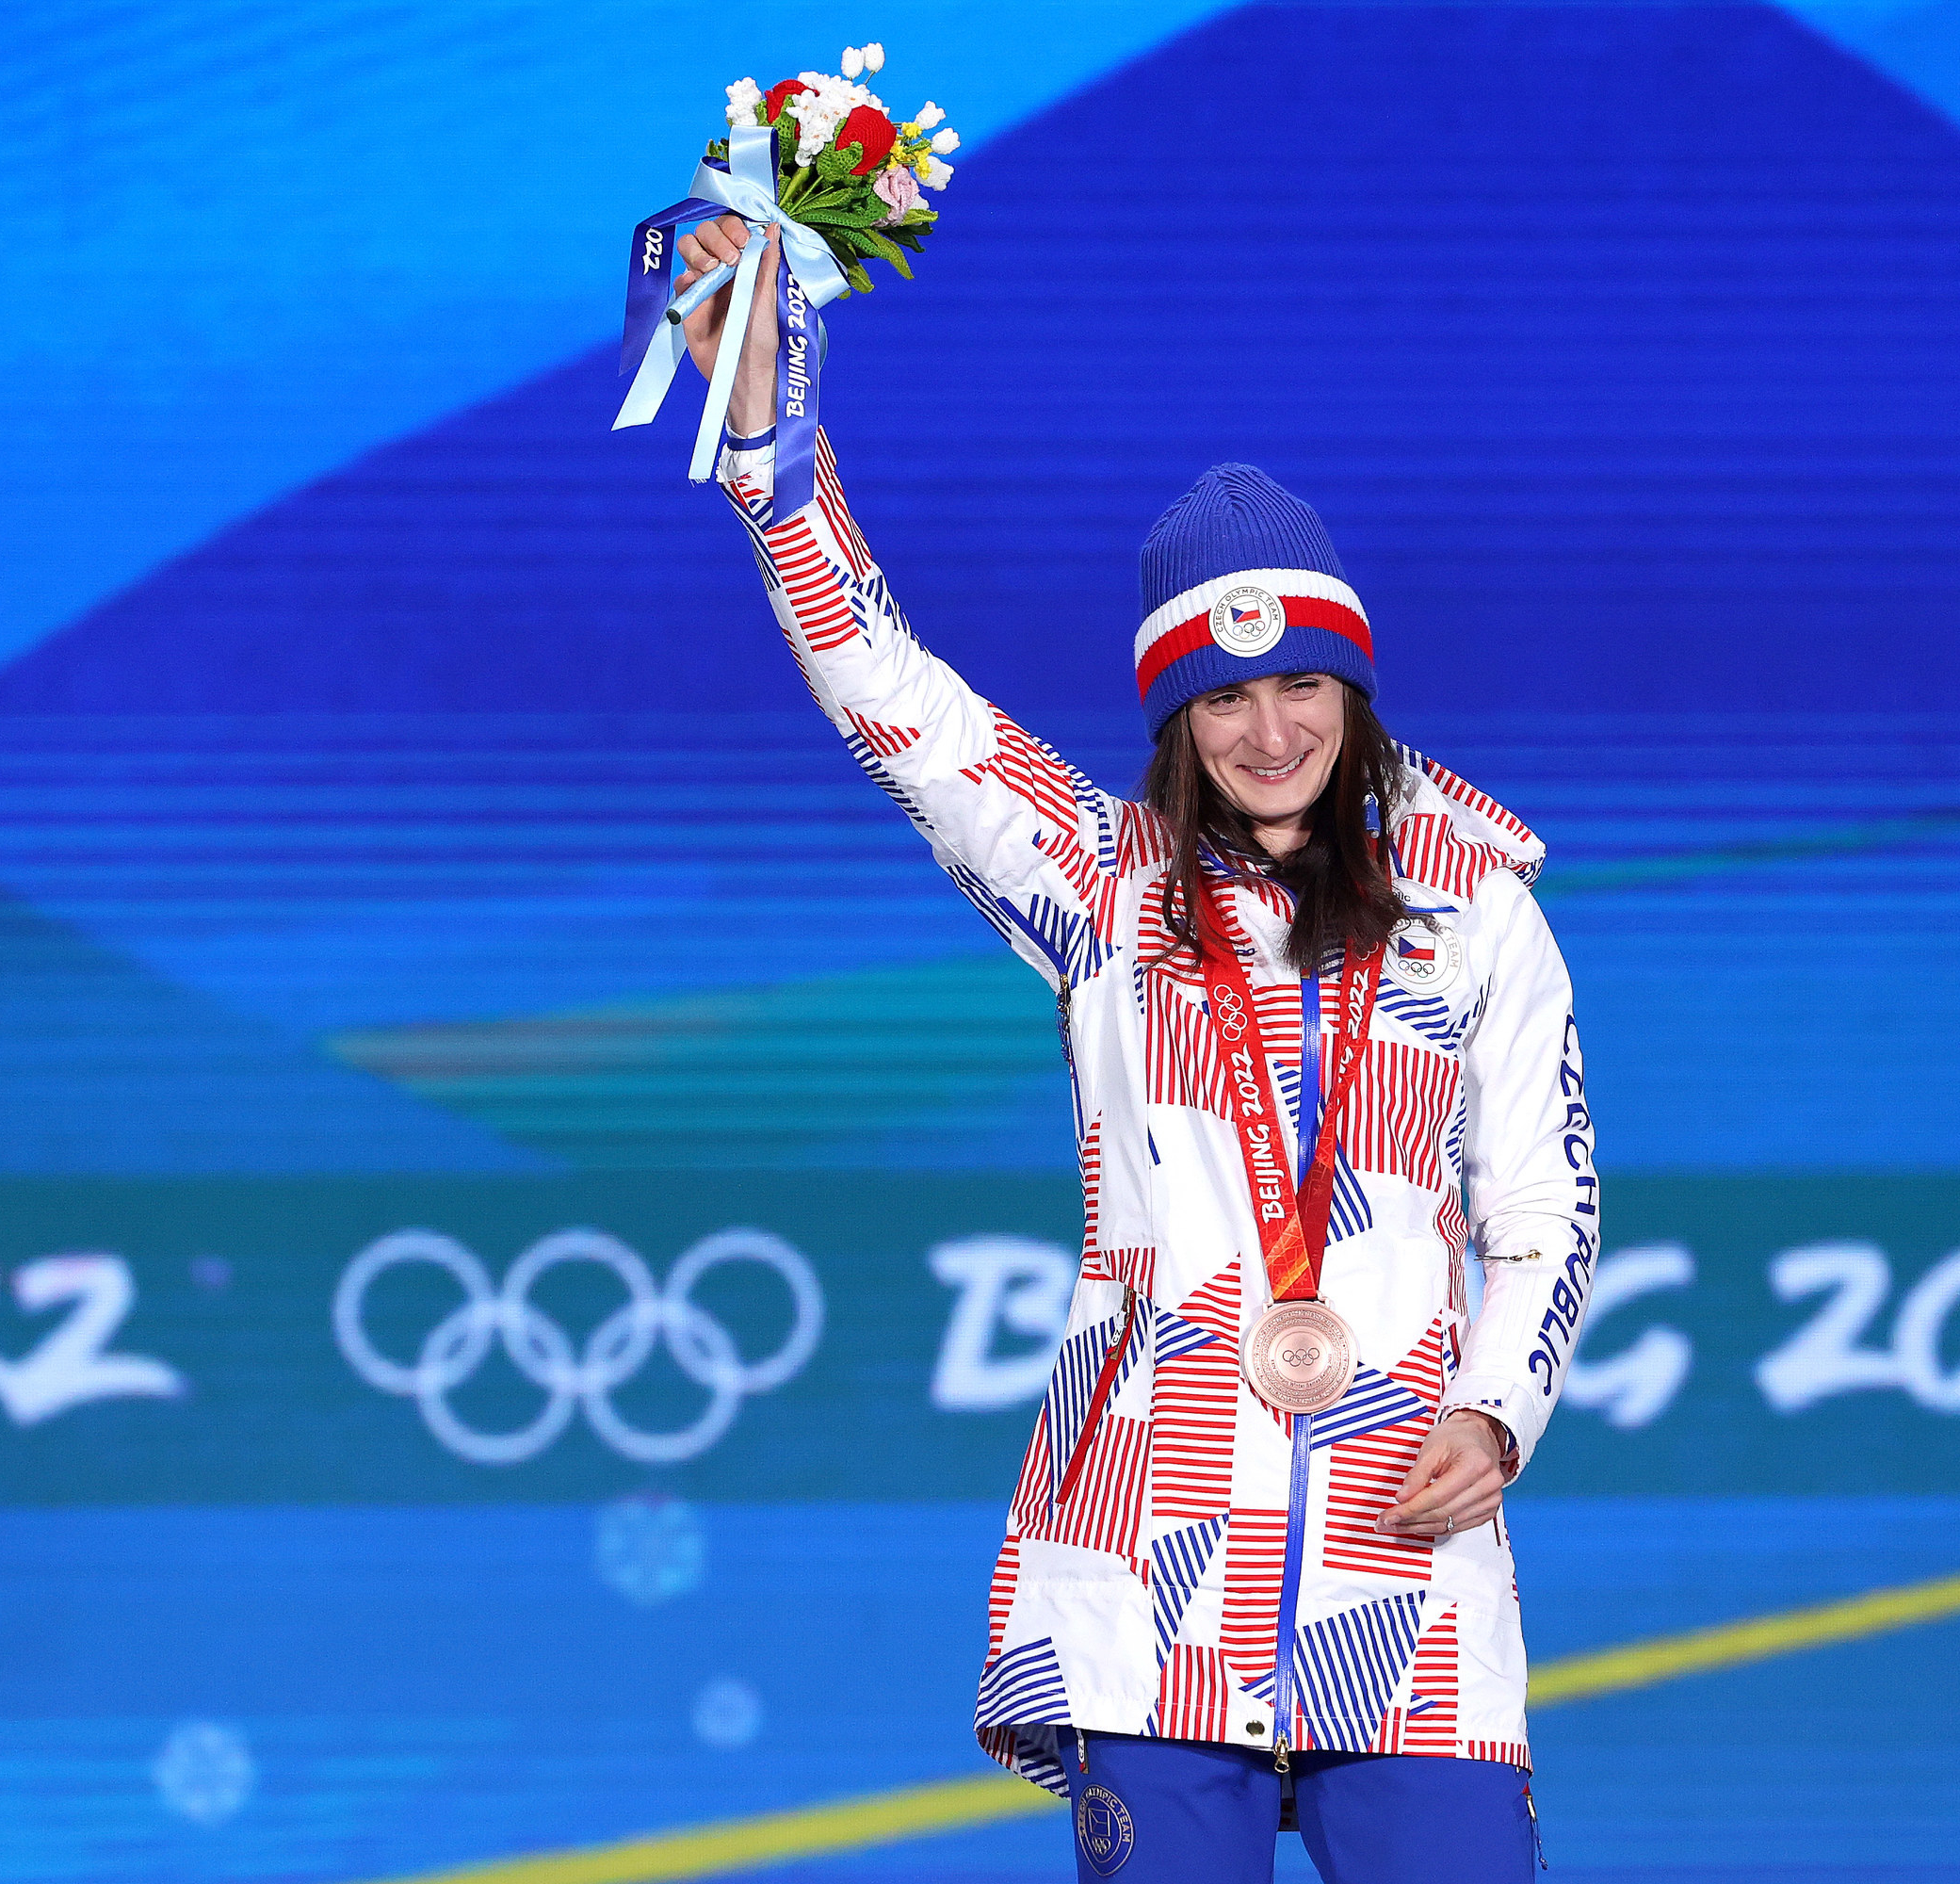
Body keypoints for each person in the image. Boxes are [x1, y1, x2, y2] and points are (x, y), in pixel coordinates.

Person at [677, 214, 1597, 1883]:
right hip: (1152, 1562)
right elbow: (889, 691)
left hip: (1411, 1566)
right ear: (1175, 721)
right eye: (1221, 703)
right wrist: (768, 453)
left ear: (1353, 689)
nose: (1270, 732)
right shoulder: (1103, 887)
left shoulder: (1479, 903)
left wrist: (1503, 1407)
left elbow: (1544, 1208)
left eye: (1302, 686)